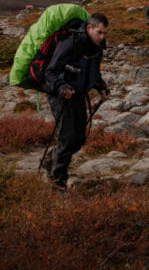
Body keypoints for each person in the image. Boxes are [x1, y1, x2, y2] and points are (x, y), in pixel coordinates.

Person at [39, 13, 111, 190]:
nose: (102, 38)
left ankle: (51, 161)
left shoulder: (96, 47)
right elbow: (50, 71)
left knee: (79, 139)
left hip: (78, 95)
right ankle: (58, 183)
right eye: (99, 33)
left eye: (104, 34)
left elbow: (93, 72)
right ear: (89, 28)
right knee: (67, 137)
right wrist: (62, 87)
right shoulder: (70, 43)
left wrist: (100, 86)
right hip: (60, 95)